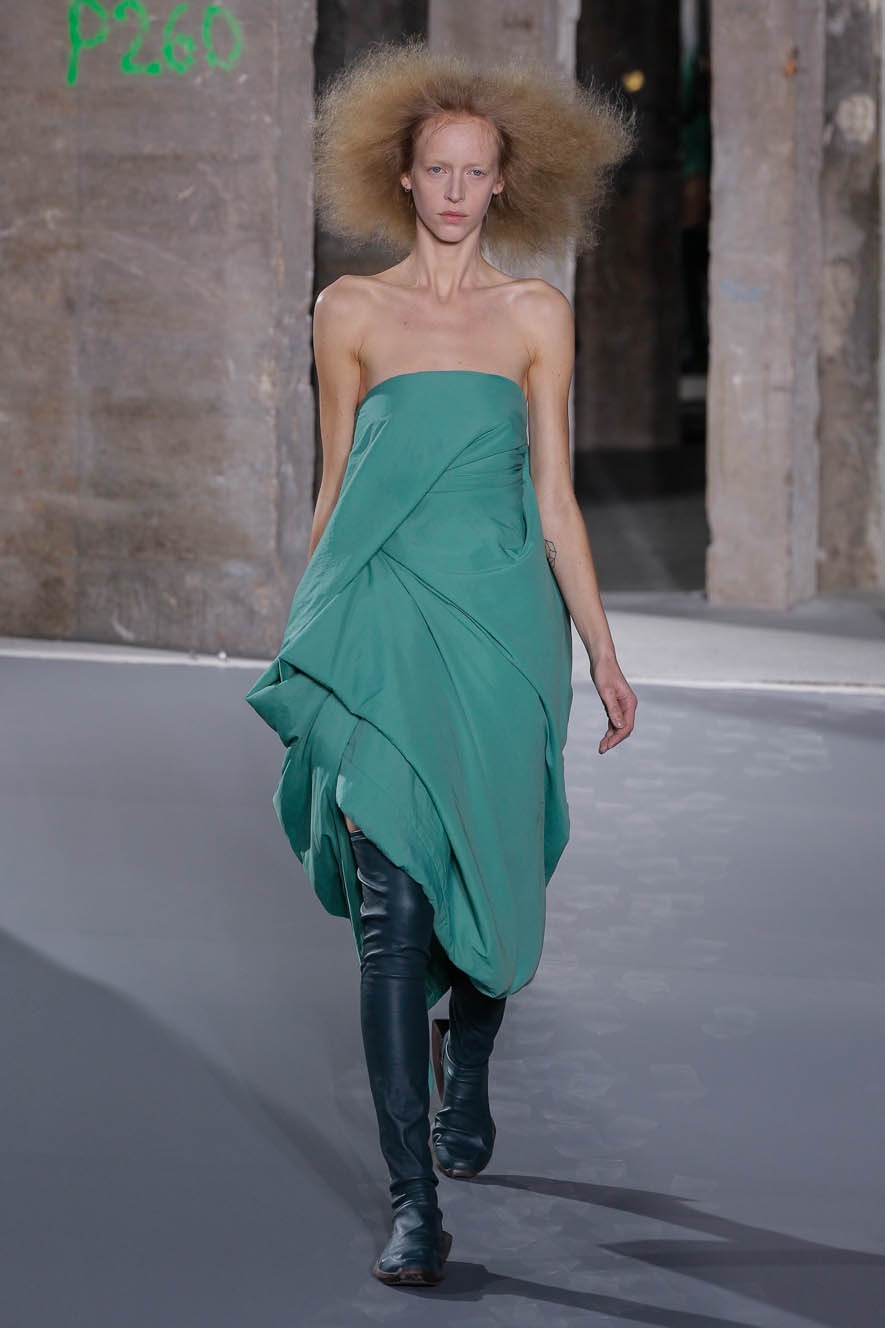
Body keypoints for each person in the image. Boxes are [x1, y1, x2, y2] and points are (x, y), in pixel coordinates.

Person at [247, 41, 637, 1288]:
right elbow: (336, 485)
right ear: (401, 176)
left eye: (477, 171)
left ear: (504, 181)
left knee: (491, 880)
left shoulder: (537, 315)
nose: (457, 191)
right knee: (391, 918)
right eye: (438, 169)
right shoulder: (348, 311)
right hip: (383, 627)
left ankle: (468, 1053)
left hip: (502, 634)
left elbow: (556, 498)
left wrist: (604, 650)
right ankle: (413, 1199)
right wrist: (311, 638)